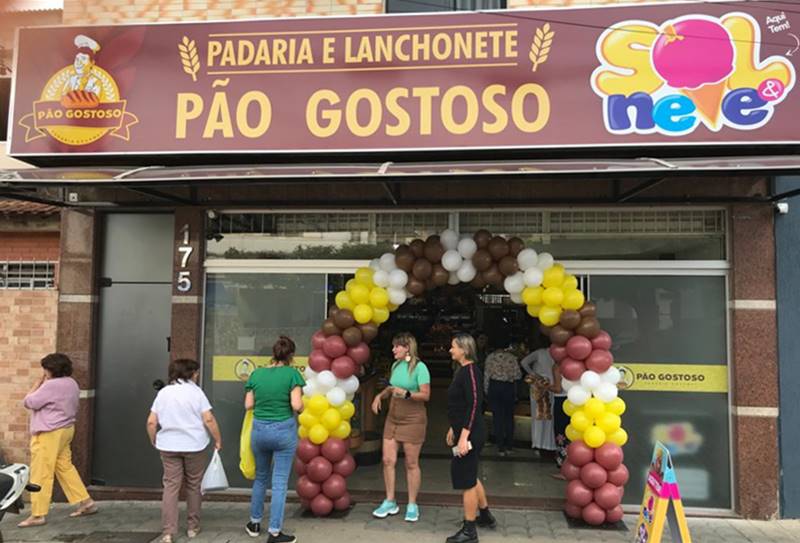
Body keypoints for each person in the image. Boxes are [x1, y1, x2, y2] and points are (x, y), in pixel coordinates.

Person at [147, 358, 222, 543]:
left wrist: (154, 440)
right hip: (194, 445)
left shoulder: (163, 393)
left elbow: (151, 422)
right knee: (193, 485)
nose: (197, 375)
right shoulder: (196, 393)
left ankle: (168, 532)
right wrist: (218, 439)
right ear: (191, 373)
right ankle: (192, 527)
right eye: (196, 372)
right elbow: (209, 419)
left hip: (168, 445)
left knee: (170, 486)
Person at [18, 353, 97, 528]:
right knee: (64, 467)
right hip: (66, 429)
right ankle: (86, 502)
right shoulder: (71, 383)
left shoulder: (50, 386)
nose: (44, 372)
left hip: (48, 432)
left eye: (45, 368)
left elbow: (29, 402)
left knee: (41, 472)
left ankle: (38, 514)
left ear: (50, 369)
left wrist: (36, 385)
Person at [244, 336, 305, 543]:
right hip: (283, 432)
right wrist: (304, 407)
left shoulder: (256, 374)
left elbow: (248, 405)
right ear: (291, 355)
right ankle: (275, 532)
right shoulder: (292, 375)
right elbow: (296, 405)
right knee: (279, 482)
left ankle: (254, 522)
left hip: (259, 430)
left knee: (261, 477)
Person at [371, 332, 431, 522]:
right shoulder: (396, 365)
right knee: (388, 460)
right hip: (393, 417)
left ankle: (412, 503)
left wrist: (406, 394)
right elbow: (391, 387)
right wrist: (379, 396)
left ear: (407, 348)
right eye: (394, 346)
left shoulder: (420, 368)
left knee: (411, 463)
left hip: (413, 418)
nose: (393, 349)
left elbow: (426, 395)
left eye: (397, 346)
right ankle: (390, 500)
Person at [446, 333, 497, 543]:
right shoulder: (462, 371)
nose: (450, 350)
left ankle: (470, 531)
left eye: (453, 347)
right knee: (470, 473)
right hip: (463, 431)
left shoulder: (471, 371)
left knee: (465, 479)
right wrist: (453, 428)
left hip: (471, 433)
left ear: (464, 350)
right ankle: (485, 515)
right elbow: (461, 404)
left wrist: (463, 435)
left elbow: (475, 404)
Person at [520, 345, 562, 457]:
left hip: (540, 384)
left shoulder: (540, 352)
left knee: (539, 414)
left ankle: (539, 443)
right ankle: (548, 444)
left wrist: (534, 374)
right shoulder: (557, 353)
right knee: (548, 414)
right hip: (550, 384)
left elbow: (524, 362)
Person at [483, 345, 522, 456]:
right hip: (508, 387)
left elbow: (486, 375)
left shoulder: (490, 357)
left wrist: (486, 391)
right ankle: (509, 445)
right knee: (509, 417)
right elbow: (518, 375)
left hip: (494, 387)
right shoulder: (512, 357)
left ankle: (500, 446)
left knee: (497, 417)